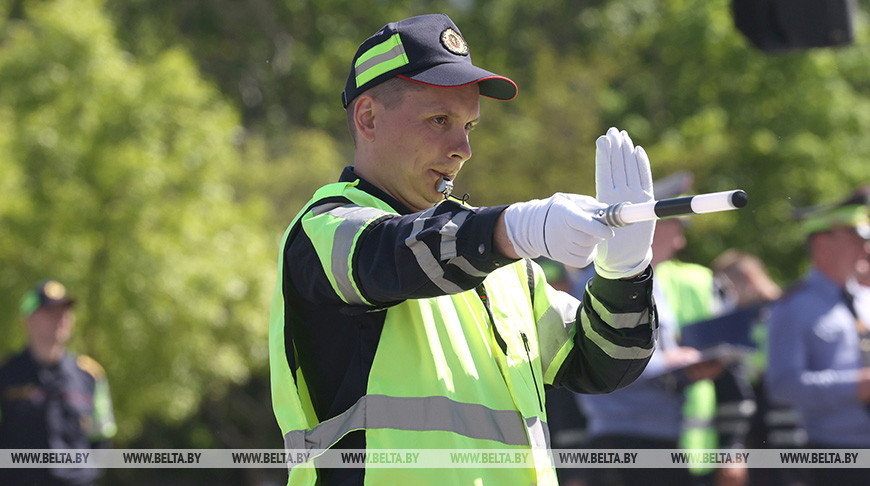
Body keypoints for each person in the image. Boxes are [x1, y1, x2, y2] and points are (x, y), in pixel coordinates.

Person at [268, 13, 659, 486]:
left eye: (470, 126)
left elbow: (602, 366)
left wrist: (624, 273)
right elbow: (395, 253)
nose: (462, 148)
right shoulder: (324, 227)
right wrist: (511, 229)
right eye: (440, 120)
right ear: (368, 118)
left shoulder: (500, 262)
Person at [765, 196, 870, 485]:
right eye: (855, 237)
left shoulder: (865, 299)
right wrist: (856, 386)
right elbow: (783, 386)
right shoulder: (793, 307)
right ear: (823, 243)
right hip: (836, 456)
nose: (866, 248)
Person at [0, 279, 116, 486]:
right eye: (50, 312)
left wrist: (86, 474)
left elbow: (101, 438)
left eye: (65, 312)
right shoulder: (5, 375)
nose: (61, 318)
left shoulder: (90, 375)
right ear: (28, 318)